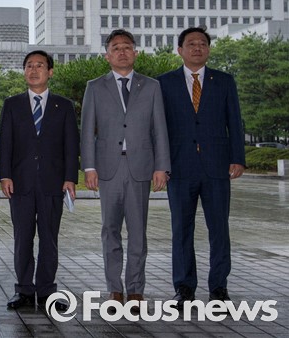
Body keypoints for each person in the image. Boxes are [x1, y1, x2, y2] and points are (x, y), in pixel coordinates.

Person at [80, 29, 170, 314]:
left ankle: (136, 289)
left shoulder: (152, 87)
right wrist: (89, 167)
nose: (122, 52)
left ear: (136, 53)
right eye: (116, 48)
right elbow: (87, 129)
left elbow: (160, 129)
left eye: (127, 47)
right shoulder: (95, 87)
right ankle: (114, 288)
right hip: (108, 168)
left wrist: (162, 167)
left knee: (138, 231)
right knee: (110, 230)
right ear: (107, 55)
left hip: (141, 167)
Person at [157, 26, 245, 308]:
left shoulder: (224, 81)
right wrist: (160, 163)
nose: (197, 48)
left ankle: (219, 288)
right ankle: (184, 288)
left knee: (219, 229)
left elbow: (235, 121)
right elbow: (158, 127)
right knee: (181, 229)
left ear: (208, 49)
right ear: (180, 50)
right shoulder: (164, 83)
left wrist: (238, 157)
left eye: (203, 43)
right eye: (191, 43)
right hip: (179, 167)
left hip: (217, 167)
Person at [0, 51, 79, 311]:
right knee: (22, 238)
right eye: (29, 66)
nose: (34, 70)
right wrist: (5, 175)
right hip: (20, 183)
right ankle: (23, 290)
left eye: (40, 66)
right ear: (24, 71)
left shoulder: (63, 106)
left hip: (52, 183)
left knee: (49, 238)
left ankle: (46, 290)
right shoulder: (12, 104)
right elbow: (5, 143)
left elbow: (71, 145)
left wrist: (70, 178)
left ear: (50, 72)